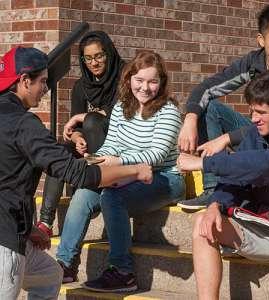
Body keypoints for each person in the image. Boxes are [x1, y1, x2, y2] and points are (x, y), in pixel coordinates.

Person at [0, 46, 151, 300]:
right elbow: (80, 175)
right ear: (25, 81)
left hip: (14, 231)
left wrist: (28, 230)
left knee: (50, 274)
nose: (46, 89)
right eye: (43, 82)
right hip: (4, 244)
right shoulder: (24, 125)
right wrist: (135, 170)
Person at [56, 50, 186, 291]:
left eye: (153, 81)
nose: (145, 88)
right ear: (129, 80)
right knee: (83, 193)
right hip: (126, 173)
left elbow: (155, 156)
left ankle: (123, 272)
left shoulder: (168, 112)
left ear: (162, 83)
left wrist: (115, 163)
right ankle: (65, 266)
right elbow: (111, 146)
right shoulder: (120, 108)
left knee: (112, 197)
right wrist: (94, 160)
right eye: (139, 80)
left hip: (165, 177)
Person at [177, 69, 269, 300]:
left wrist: (204, 164)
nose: (253, 119)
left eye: (261, 112)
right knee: (205, 222)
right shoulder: (256, 134)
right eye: (252, 111)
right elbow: (233, 179)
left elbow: (266, 163)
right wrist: (215, 206)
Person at [177, 3, 269, 210]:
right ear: (261, 40)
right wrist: (190, 119)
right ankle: (212, 190)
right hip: (257, 130)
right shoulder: (252, 64)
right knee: (209, 107)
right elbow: (206, 88)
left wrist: (227, 138)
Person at [37, 31, 124, 236]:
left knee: (93, 121)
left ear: (108, 54)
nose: (94, 63)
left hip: (118, 147)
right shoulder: (81, 86)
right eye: (88, 58)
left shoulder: (124, 77)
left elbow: (120, 112)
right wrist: (77, 138)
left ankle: (94, 185)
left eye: (99, 56)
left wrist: (81, 119)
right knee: (59, 150)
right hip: (89, 150)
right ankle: (45, 221)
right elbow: (75, 128)